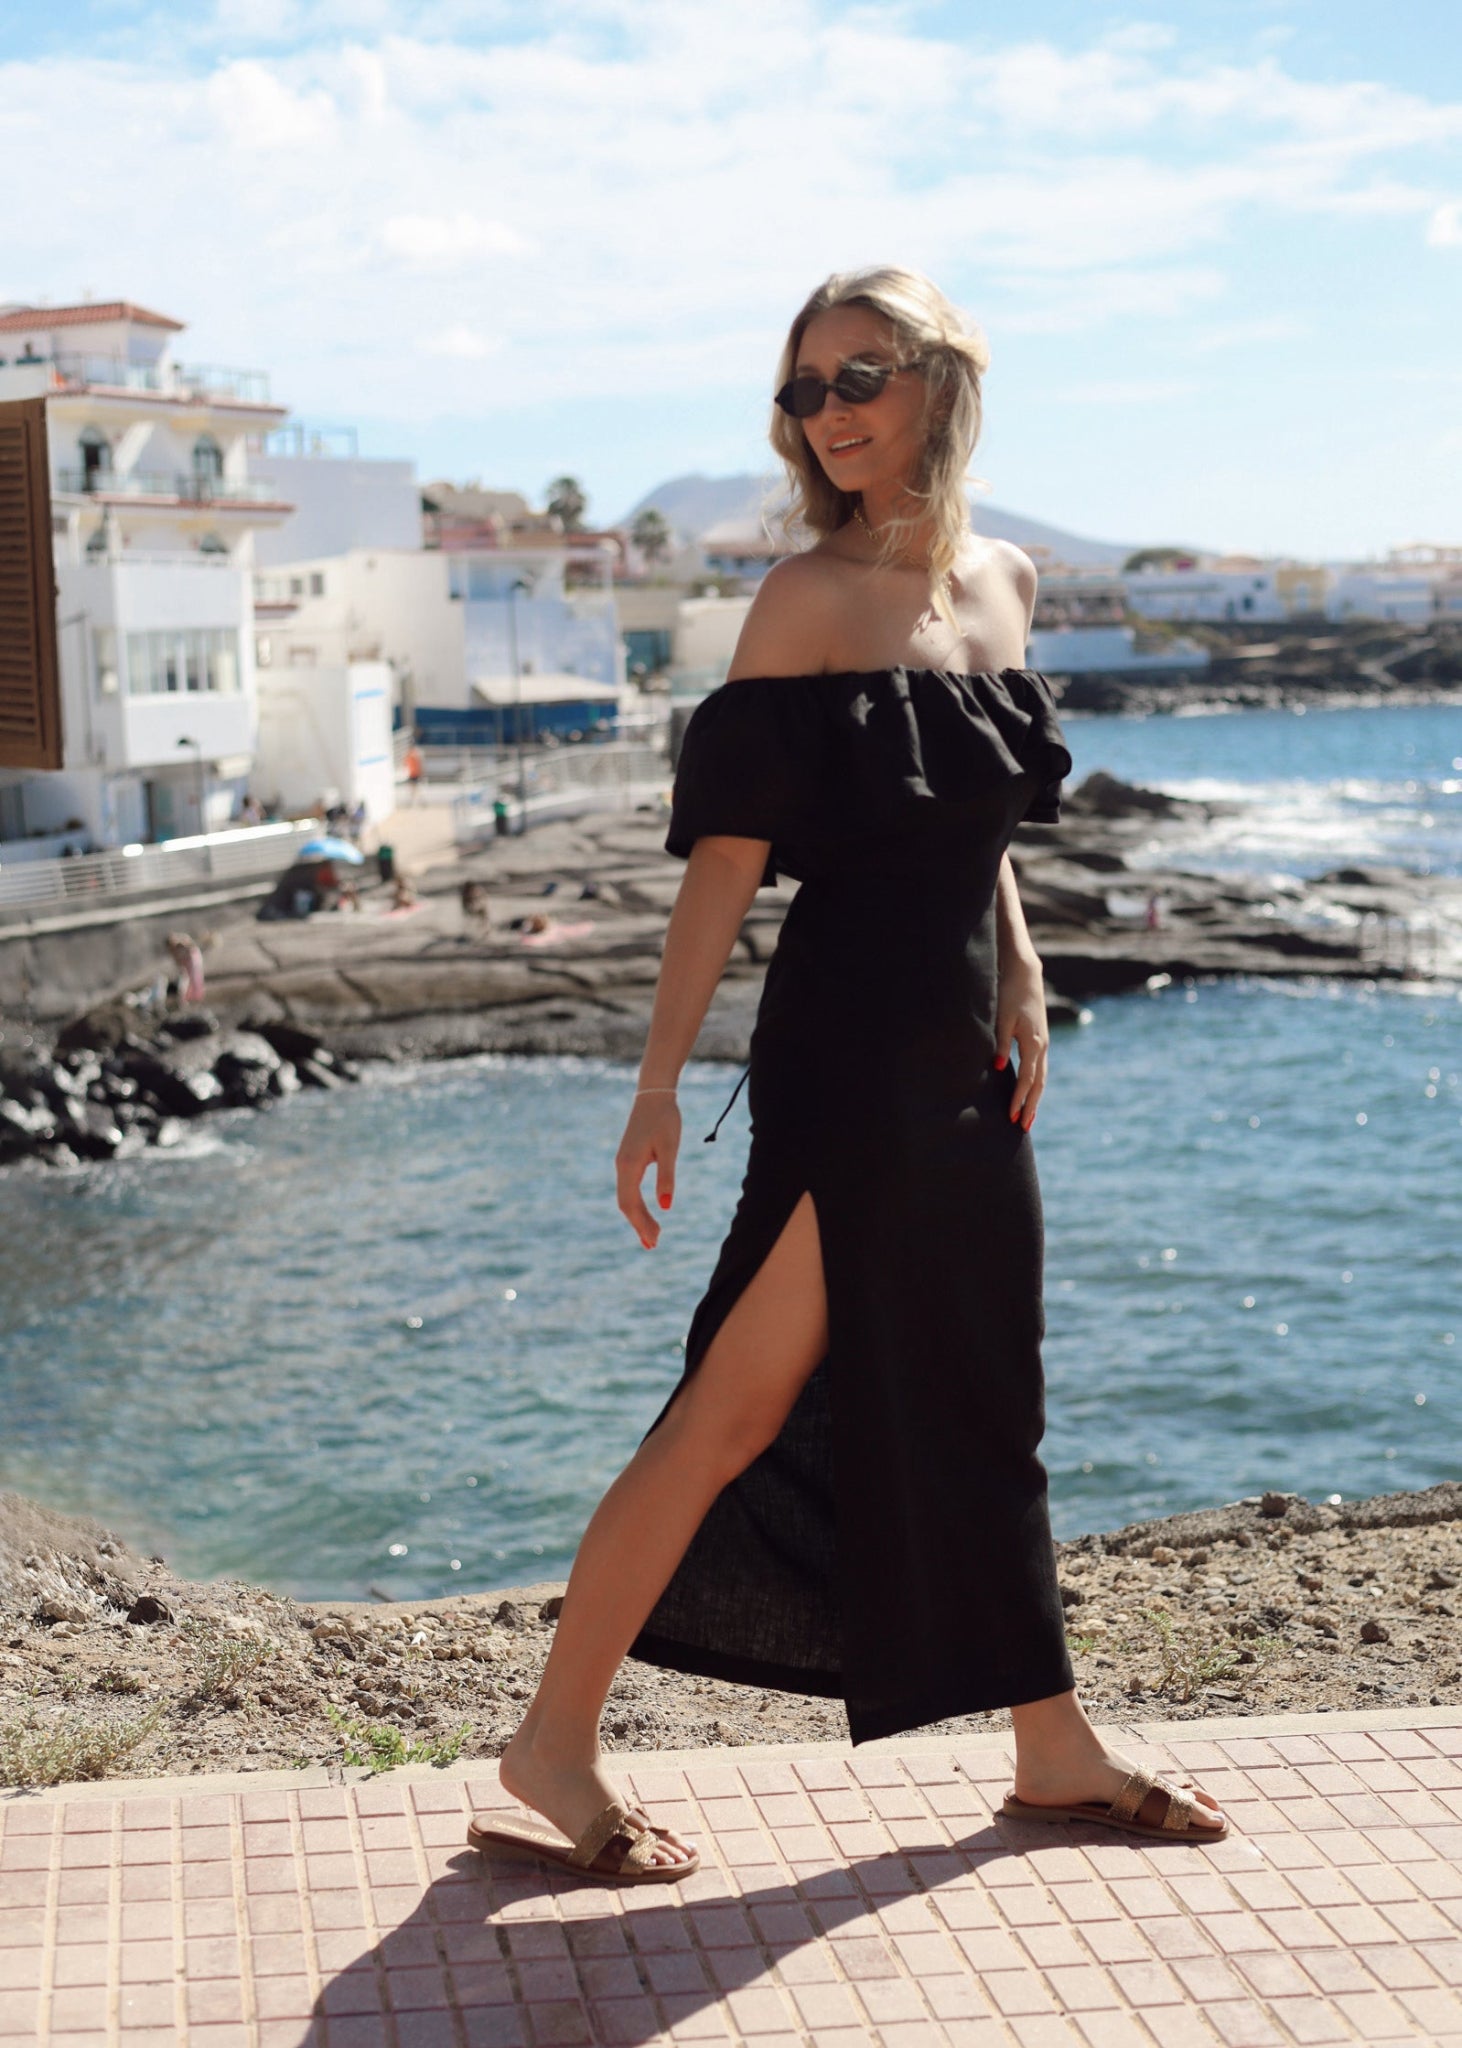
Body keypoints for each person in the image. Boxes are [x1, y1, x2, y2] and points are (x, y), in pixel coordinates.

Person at [467, 267, 1225, 1886]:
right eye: (805, 390)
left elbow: (967, 817)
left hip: (963, 1054)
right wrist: (656, 1087)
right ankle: (550, 1745)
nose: (830, 415)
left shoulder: (1004, 582)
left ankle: (1048, 1747)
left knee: (985, 1406)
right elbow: (723, 873)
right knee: (731, 1411)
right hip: (840, 1063)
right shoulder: (801, 602)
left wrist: (1020, 971)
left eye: (858, 376)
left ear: (939, 380)